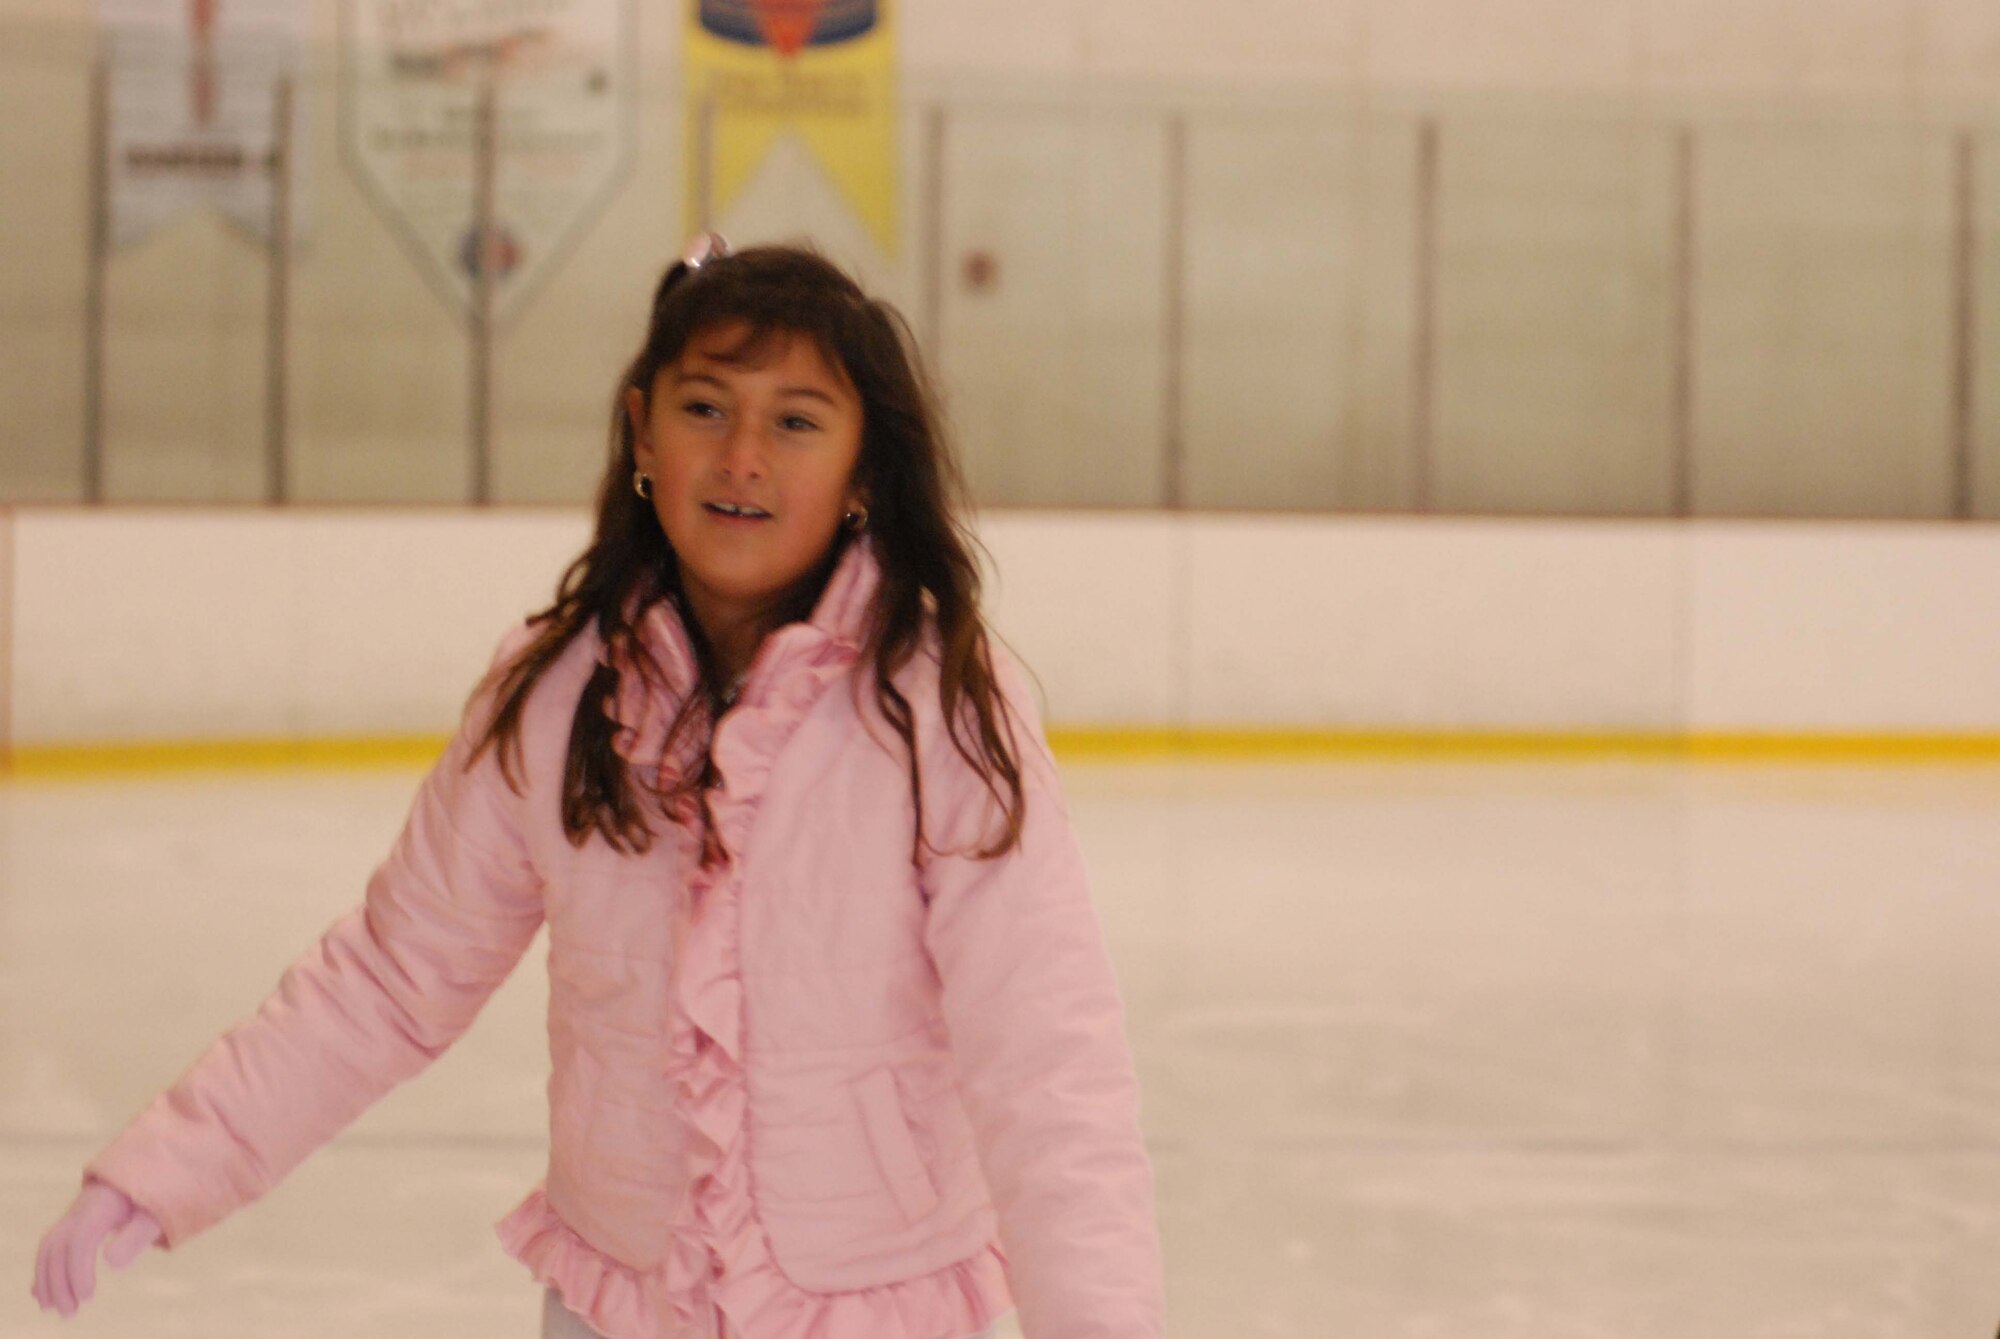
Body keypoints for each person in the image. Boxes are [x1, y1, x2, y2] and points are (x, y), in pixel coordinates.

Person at [29, 237, 1163, 1339]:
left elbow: (1044, 1053)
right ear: (640, 430)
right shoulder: (557, 696)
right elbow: (387, 978)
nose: (742, 457)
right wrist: (165, 1172)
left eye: (797, 421)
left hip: (869, 1299)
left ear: (865, 467)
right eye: (704, 406)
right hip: (621, 1294)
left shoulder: (937, 704)